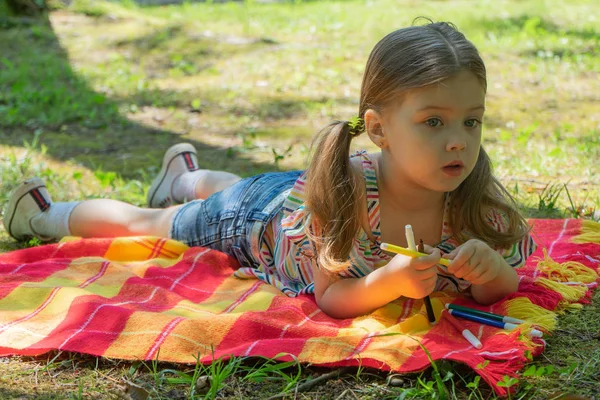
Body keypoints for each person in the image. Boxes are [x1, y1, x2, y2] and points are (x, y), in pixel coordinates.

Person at [2, 21, 536, 319]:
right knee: (156, 223)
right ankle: (46, 214)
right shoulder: (349, 190)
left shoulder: (473, 197)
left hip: (290, 201)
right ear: (378, 129)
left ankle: (183, 177)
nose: (457, 141)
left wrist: (491, 273)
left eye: (471, 121)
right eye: (434, 121)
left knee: (239, 189)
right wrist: (387, 281)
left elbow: (500, 289)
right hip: (256, 221)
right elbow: (332, 296)